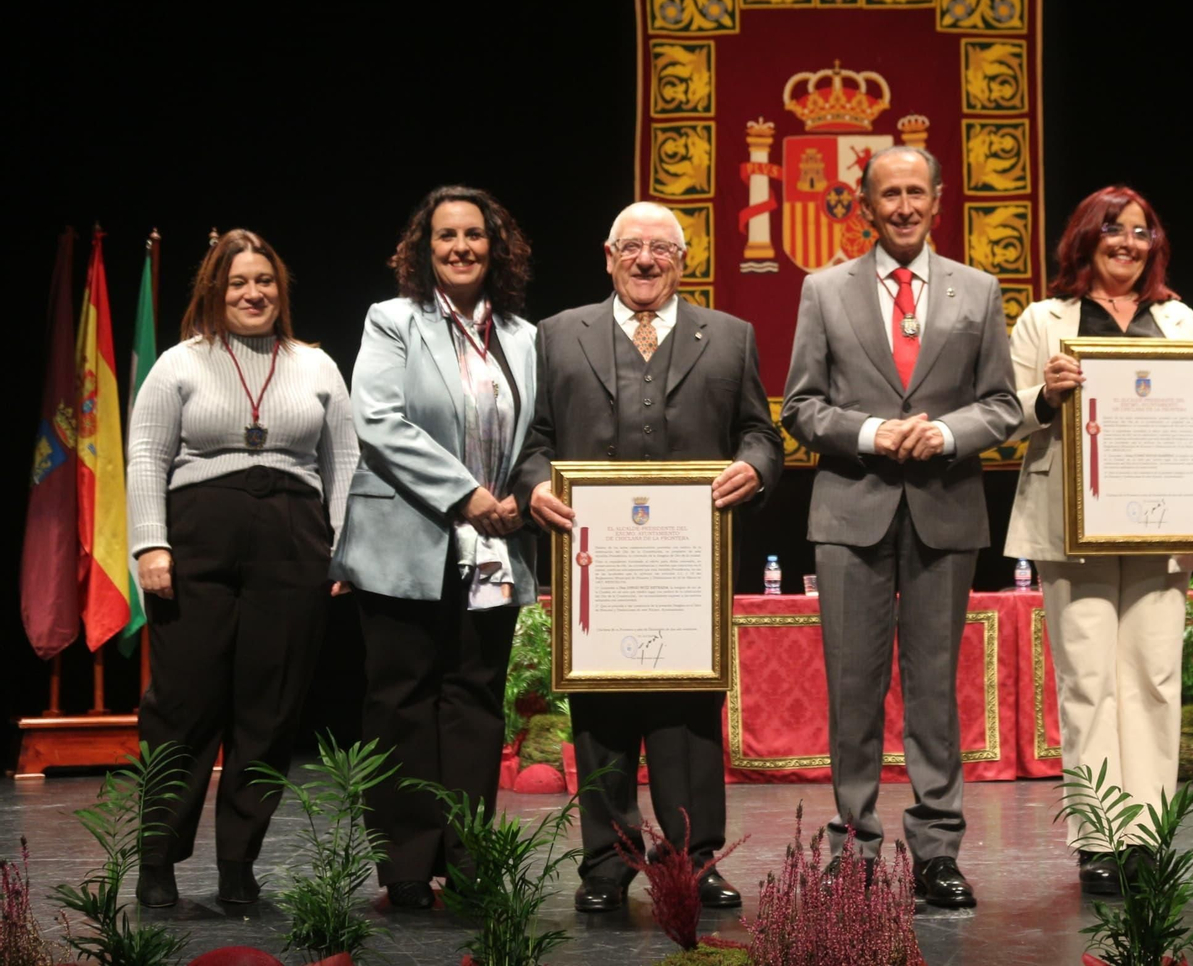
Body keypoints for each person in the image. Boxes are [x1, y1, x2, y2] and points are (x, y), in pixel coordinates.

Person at [513, 200, 783, 913]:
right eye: (631, 246)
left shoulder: (728, 336)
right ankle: (607, 861)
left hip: (687, 567)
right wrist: (536, 484)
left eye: (661, 248)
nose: (645, 259)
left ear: (683, 259)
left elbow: (762, 433)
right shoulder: (557, 334)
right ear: (607, 256)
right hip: (594, 563)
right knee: (601, 713)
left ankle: (694, 859)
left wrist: (755, 467)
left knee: (689, 715)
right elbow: (533, 439)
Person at [781, 146, 1020, 910]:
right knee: (853, 687)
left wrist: (945, 434)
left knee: (933, 690)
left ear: (938, 200)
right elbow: (802, 408)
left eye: (918, 191)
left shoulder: (978, 291)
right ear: (866, 203)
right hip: (852, 510)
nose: (906, 205)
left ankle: (937, 848)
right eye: (892, 194)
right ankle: (852, 846)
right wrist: (874, 432)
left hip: (944, 511)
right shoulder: (824, 290)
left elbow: (1004, 405)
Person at [1003, 186, 1193, 895]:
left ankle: (1147, 834)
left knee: (1155, 680)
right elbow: (1003, 417)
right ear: (1086, 238)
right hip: (1071, 527)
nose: (1129, 243)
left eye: (1141, 231)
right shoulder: (1044, 321)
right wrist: (1045, 394)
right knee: (1088, 682)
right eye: (1114, 230)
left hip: (1164, 524)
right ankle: (1099, 836)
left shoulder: (1178, 315)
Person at [127, 228, 357, 908]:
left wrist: (341, 549)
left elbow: (344, 463)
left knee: (269, 710)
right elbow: (145, 455)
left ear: (280, 289)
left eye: (264, 281)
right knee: (184, 706)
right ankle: (159, 858)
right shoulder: (180, 363)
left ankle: (238, 863)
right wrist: (149, 543)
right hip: (197, 537)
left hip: (293, 540)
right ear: (214, 290)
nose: (253, 292)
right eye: (238, 282)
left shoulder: (316, 364)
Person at [331, 185, 538, 910]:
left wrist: (518, 490)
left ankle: (470, 854)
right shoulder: (393, 321)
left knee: (475, 700)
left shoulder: (523, 335)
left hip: (493, 546)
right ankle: (408, 865)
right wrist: (467, 494)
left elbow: (533, 433)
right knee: (402, 700)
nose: (461, 247)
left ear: (495, 245)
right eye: (446, 236)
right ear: (424, 248)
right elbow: (379, 420)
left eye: (474, 235)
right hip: (406, 539)